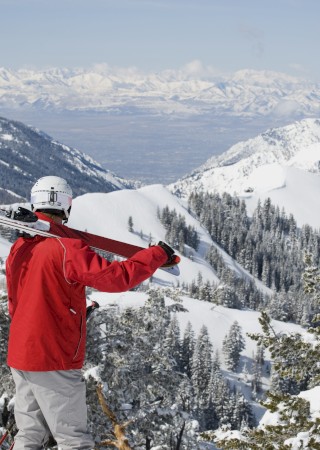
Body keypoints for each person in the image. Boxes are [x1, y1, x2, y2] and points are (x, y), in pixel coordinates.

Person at [6, 176, 176, 450]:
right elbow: (115, 277)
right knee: (73, 440)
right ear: (66, 206)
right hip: (54, 358)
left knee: (30, 435)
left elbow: (18, 302)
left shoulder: (20, 248)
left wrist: (69, 314)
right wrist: (155, 255)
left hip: (21, 355)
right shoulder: (66, 248)